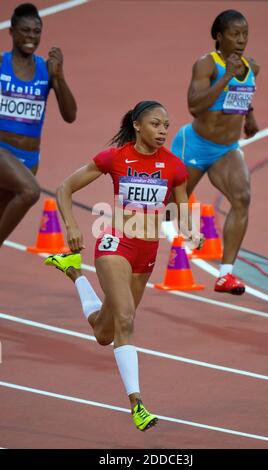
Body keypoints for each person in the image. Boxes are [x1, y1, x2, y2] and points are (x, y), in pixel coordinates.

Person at [44, 100, 202, 431]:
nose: (162, 131)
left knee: (105, 333)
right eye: (156, 124)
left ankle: (74, 272)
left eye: (166, 126)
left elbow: (183, 208)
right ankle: (138, 404)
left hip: (147, 253)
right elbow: (64, 188)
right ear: (137, 125)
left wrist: (192, 230)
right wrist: (71, 226)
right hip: (115, 243)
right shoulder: (115, 158)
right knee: (126, 318)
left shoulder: (174, 167)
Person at [171, 10, 260, 295]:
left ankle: (225, 274)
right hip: (194, 145)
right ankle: (126, 242)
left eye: (244, 33)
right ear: (219, 37)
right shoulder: (206, 65)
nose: (241, 39)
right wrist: (226, 78)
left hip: (226, 150)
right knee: (167, 208)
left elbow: (242, 95)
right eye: (235, 33)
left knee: (242, 197)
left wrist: (250, 116)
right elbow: (194, 106)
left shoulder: (252, 67)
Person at [0, 3, 77, 247]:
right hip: (2, 151)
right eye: (25, 31)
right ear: (11, 32)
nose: (31, 37)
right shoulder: (1, 65)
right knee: (30, 192)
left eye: (36, 32)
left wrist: (59, 77)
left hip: (29, 159)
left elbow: (70, 115)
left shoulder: (46, 69)